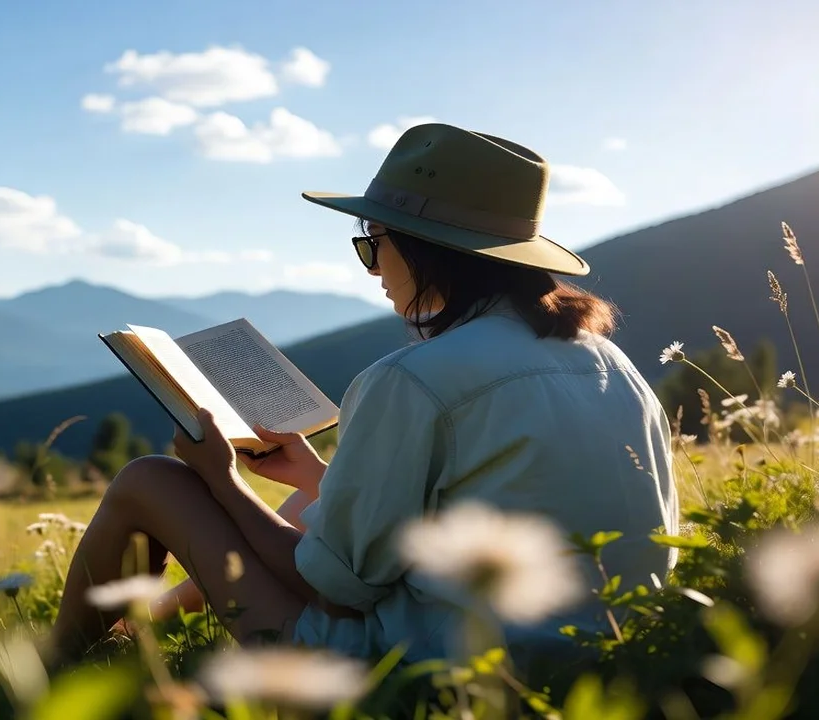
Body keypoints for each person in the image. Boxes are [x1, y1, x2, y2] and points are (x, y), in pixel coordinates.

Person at [47, 123, 679, 670]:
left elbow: (333, 591)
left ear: (430, 250)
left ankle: (48, 673)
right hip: (606, 656)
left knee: (150, 481)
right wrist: (319, 477)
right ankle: (132, 635)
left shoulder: (414, 377)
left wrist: (223, 483)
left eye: (373, 242)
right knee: (307, 502)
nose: (372, 267)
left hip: (420, 678)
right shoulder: (609, 363)